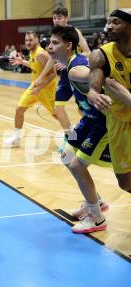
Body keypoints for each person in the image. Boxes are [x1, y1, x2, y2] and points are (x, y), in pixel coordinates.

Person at [48, 25, 110, 233]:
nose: (49, 47)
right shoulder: (71, 65)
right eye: (50, 42)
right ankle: (95, 201)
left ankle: (97, 218)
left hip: (102, 123)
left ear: (68, 46)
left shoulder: (75, 69)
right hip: (87, 121)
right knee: (65, 154)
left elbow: (94, 73)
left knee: (76, 165)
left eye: (55, 43)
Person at [88, 9, 131, 193]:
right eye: (109, 22)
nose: (109, 27)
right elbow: (92, 91)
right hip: (119, 122)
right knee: (125, 182)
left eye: (115, 22)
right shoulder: (101, 55)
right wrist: (95, 96)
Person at [33, 7, 91, 142]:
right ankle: (70, 137)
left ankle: (93, 135)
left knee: (85, 111)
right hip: (65, 79)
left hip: (78, 74)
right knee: (58, 109)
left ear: (66, 18)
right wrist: (41, 77)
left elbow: (88, 52)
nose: (56, 20)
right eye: (54, 18)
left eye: (59, 18)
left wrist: (69, 62)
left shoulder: (75, 32)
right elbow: (52, 58)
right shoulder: (55, 36)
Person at [3, 31, 58, 147]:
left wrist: (40, 88)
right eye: (26, 40)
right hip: (35, 87)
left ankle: (74, 135)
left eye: (31, 40)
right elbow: (35, 65)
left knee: (57, 115)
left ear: (37, 40)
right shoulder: (33, 53)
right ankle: (16, 139)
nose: (28, 42)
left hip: (46, 89)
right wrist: (22, 62)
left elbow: (53, 74)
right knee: (19, 109)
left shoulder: (40, 54)